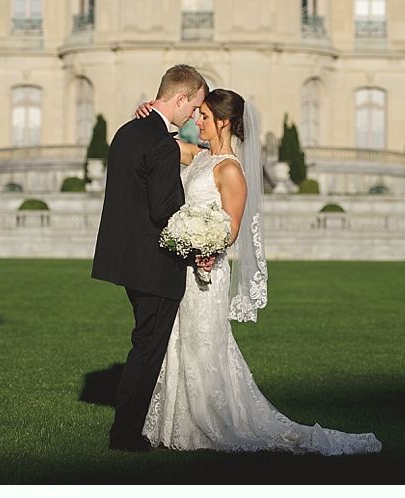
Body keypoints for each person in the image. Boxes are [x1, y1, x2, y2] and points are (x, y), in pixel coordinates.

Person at [136, 89, 382, 455]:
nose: (197, 121)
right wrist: (148, 114)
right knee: (180, 341)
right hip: (183, 267)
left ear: (223, 122)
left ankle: (207, 420)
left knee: (204, 346)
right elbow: (162, 145)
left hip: (207, 272)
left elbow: (232, 228)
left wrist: (206, 250)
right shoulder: (200, 157)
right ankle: (175, 421)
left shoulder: (231, 170)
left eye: (204, 116)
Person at [91, 65, 209, 452]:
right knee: (147, 346)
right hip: (154, 263)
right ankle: (126, 432)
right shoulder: (161, 144)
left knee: (143, 341)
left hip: (125, 258)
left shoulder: (128, 131)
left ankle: (132, 425)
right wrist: (199, 235)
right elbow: (165, 210)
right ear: (180, 97)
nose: (193, 115)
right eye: (193, 107)